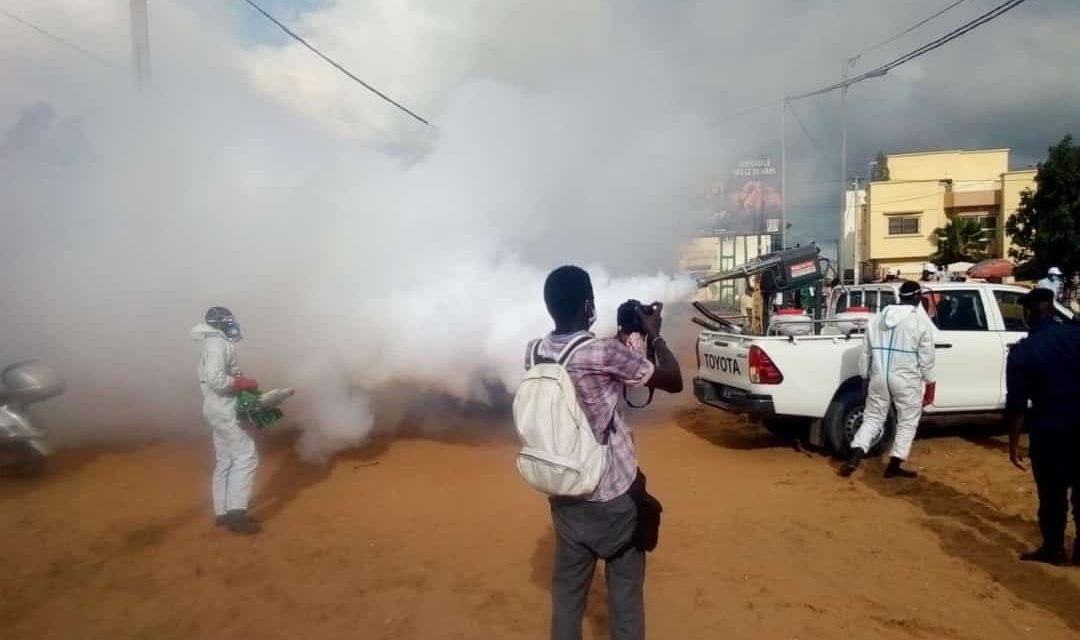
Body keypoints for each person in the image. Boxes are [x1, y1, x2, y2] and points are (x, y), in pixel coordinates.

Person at [531, 266, 683, 640]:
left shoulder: (534, 351)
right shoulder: (603, 352)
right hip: (614, 499)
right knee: (626, 603)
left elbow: (588, 366)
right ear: (588, 305)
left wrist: (625, 339)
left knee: (567, 602)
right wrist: (654, 337)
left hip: (566, 494)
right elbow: (673, 379)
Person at [1005, 287, 1080, 566]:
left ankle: (1054, 549)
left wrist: (1013, 445)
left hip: (1050, 429)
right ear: (1052, 308)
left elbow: (1016, 405)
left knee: (1052, 494)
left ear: (1028, 314)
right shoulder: (1076, 335)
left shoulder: (1024, 351)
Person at [840, 281, 936, 479]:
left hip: (879, 376)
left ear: (900, 297)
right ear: (917, 298)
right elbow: (927, 359)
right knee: (907, 421)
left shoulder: (876, 320)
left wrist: (865, 378)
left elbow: (866, 354)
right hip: (906, 378)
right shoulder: (919, 323)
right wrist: (930, 384)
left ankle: (853, 460)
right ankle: (894, 466)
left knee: (873, 418)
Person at [191, 307, 261, 535]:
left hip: (214, 408)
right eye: (227, 320)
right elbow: (216, 379)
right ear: (218, 322)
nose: (232, 324)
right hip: (223, 408)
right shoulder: (217, 344)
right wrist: (244, 383)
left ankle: (222, 512)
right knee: (246, 456)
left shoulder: (211, 343)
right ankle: (236, 515)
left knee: (226, 459)